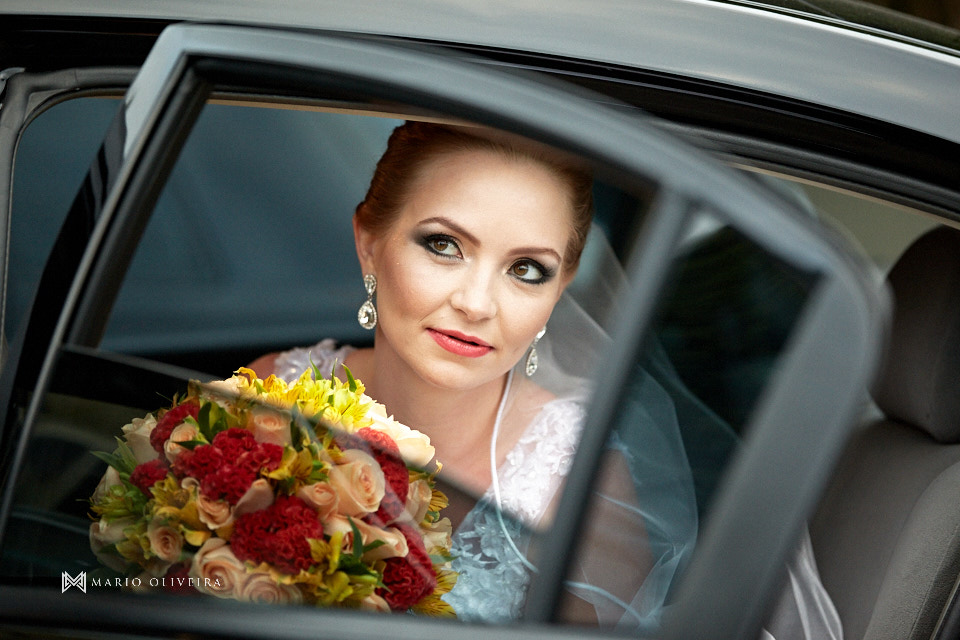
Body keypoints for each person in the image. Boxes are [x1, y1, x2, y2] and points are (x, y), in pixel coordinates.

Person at [249, 121, 840, 637]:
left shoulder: (580, 480)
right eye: (444, 245)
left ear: (561, 289)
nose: (478, 303)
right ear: (369, 244)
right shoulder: (272, 387)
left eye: (526, 270)